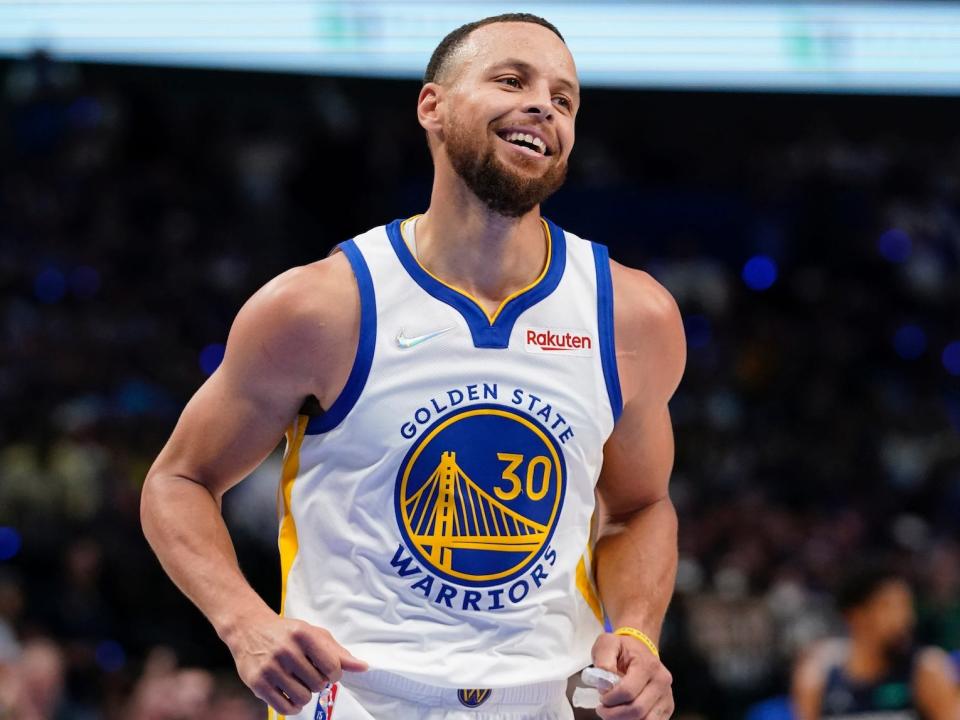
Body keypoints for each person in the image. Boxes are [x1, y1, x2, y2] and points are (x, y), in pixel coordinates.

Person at [141, 13, 685, 720]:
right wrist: (244, 624)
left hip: (549, 696)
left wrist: (638, 632)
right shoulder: (319, 307)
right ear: (432, 107)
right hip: (354, 693)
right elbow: (178, 480)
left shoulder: (632, 315)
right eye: (512, 79)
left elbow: (640, 508)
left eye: (564, 98)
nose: (542, 106)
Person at [791, 564, 959, 719]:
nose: (905, 619)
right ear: (856, 616)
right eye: (890, 607)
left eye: (906, 607)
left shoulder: (927, 669)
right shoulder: (818, 675)